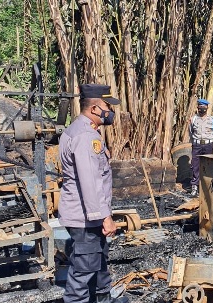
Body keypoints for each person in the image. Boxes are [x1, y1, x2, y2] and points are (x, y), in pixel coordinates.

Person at [59, 84, 128, 303]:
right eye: (108, 106)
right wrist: (104, 217)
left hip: (86, 215)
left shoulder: (77, 130)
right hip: (86, 218)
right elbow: (90, 182)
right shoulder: (86, 137)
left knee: (98, 265)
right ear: (95, 109)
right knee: (84, 273)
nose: (111, 112)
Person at [189, 98, 213, 196]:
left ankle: (208, 187)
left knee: (209, 165)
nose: (202, 109)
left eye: (204, 107)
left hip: (208, 145)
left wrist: (210, 140)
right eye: (200, 107)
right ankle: (194, 187)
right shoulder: (193, 119)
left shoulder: (212, 119)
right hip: (197, 145)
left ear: (207, 108)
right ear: (197, 107)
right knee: (195, 166)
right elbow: (191, 132)